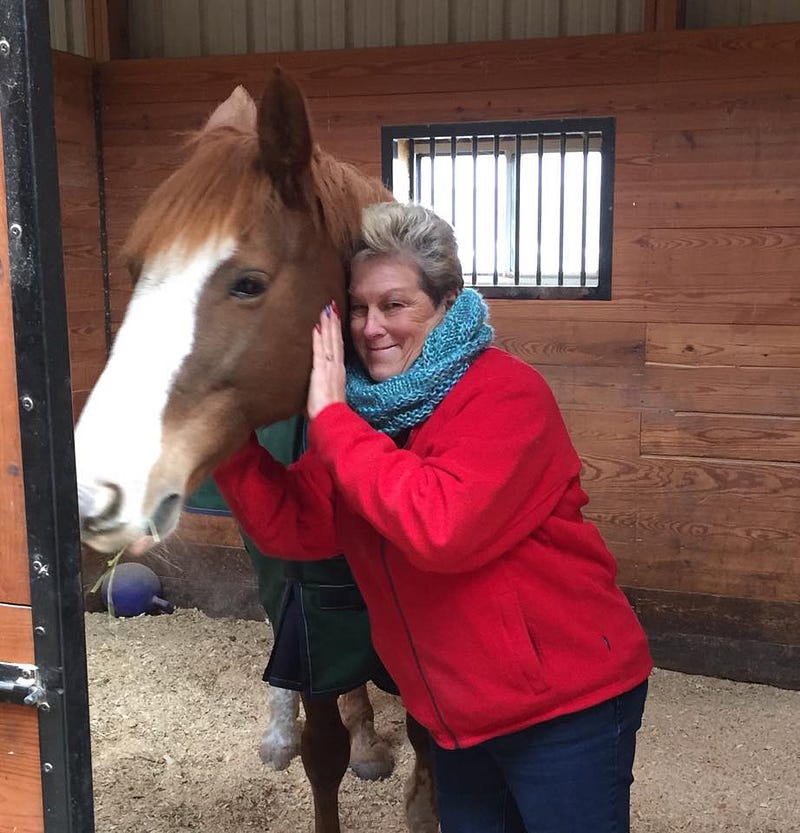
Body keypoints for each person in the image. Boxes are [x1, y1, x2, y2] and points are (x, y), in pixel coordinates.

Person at [214, 202, 653, 833]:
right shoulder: (367, 419)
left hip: (564, 706)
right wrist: (227, 436)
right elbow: (297, 525)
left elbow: (439, 527)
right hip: (455, 713)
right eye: (358, 308)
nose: (371, 328)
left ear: (446, 302)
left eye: (394, 305)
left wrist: (331, 419)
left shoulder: (504, 392)